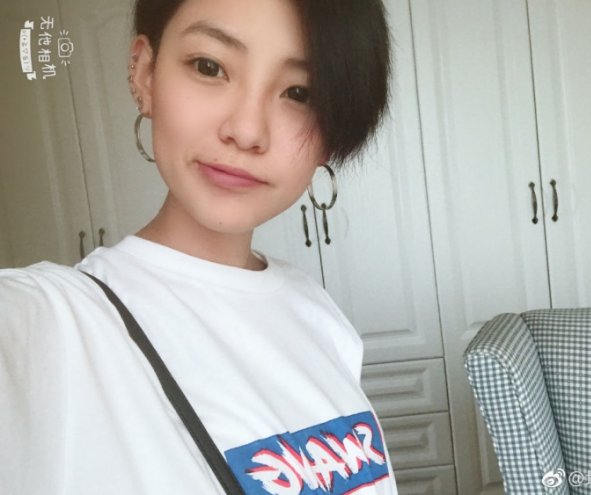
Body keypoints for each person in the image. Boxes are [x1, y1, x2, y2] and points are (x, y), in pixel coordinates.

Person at [0, 0, 394, 493]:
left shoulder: (320, 316)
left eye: (299, 93)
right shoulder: (49, 323)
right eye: (209, 67)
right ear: (145, 74)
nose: (247, 130)